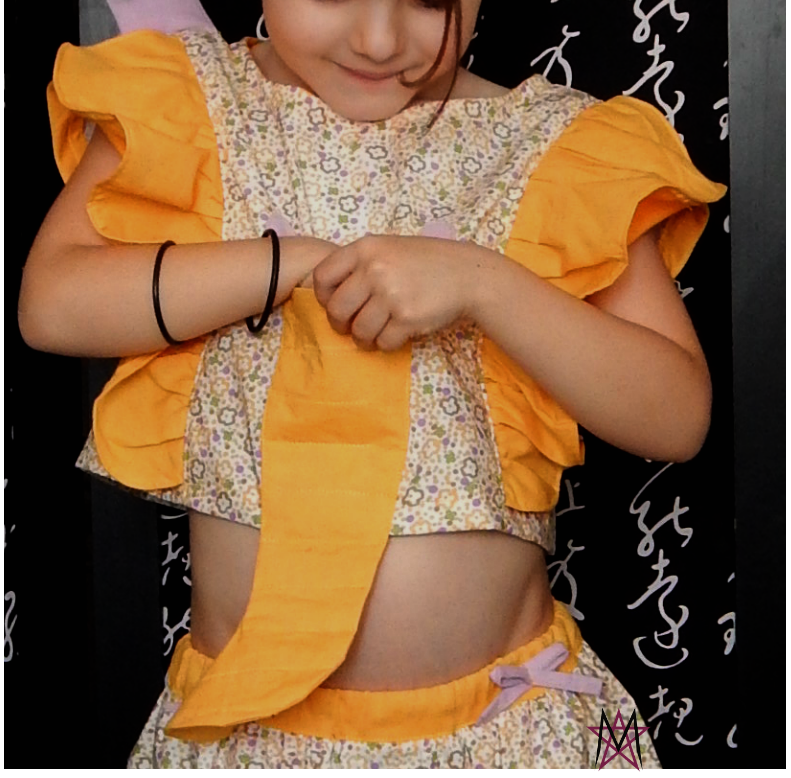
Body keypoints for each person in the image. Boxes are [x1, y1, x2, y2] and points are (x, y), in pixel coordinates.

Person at [19, 0, 726, 769]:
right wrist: (287, 263)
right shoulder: (190, 102)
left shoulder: (554, 144)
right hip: (246, 741)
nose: (380, 40)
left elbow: (675, 416)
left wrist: (485, 285)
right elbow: (51, 305)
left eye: (428, 1)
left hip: (508, 731)